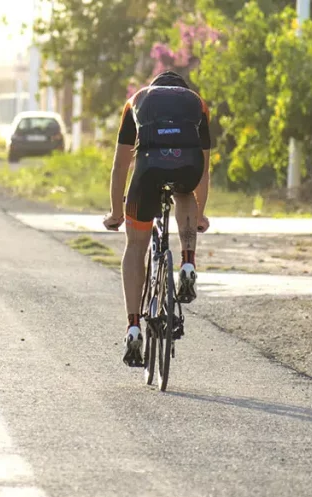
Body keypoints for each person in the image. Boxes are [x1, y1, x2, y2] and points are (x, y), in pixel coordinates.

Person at [102, 70, 213, 367]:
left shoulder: (137, 100)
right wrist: (200, 214)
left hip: (148, 171)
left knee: (135, 246)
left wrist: (115, 212)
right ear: (182, 90)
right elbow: (204, 168)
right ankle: (188, 261)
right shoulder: (197, 102)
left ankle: (134, 326)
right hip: (187, 165)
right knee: (186, 193)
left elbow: (120, 166)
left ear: (156, 88)